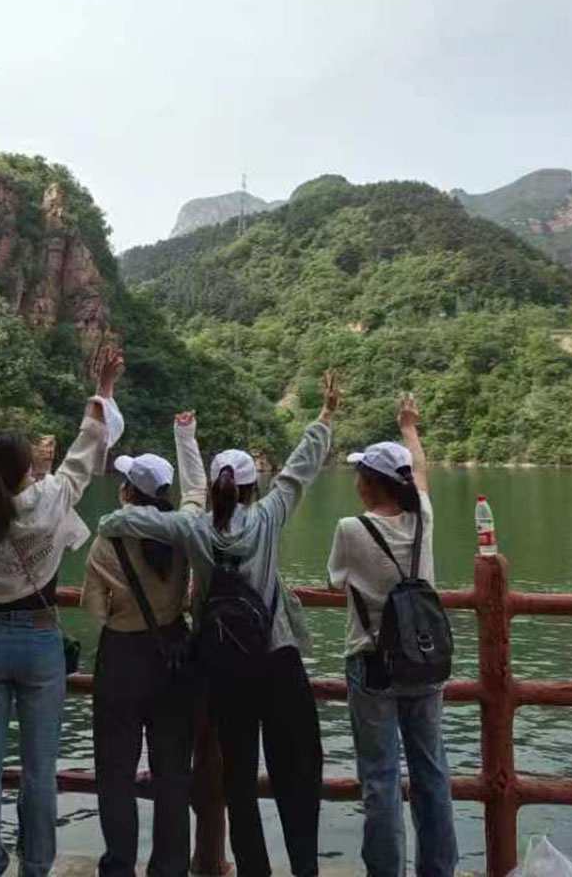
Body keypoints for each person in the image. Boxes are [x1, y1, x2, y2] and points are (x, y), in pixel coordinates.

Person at [97, 373, 342, 877]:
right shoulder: (269, 516)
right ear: (253, 487)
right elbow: (299, 469)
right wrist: (324, 417)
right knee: (298, 771)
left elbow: (126, 521)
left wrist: (113, 520)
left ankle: (254, 870)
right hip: (276, 659)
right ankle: (305, 868)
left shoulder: (193, 527)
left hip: (226, 669)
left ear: (214, 488)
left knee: (238, 781)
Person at [0, 346, 126, 877]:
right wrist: (104, 388)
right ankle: (37, 865)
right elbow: (88, 446)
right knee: (39, 769)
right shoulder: (54, 498)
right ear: (30, 466)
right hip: (42, 640)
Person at [326, 395, 458, 877]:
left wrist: (406, 432)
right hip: (425, 661)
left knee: (380, 780)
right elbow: (420, 475)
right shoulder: (423, 517)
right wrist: (409, 429)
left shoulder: (350, 529)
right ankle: (438, 870)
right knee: (432, 773)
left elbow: (335, 581)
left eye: (360, 474)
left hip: (372, 665)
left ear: (370, 484)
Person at [81, 412, 206, 877]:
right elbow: (197, 495)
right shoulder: (181, 533)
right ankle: (170, 867)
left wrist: (121, 613)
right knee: (172, 770)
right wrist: (186, 436)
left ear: (128, 493)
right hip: (171, 652)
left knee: (115, 770)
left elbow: (94, 609)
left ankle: (119, 865)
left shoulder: (106, 542)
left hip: (121, 657)